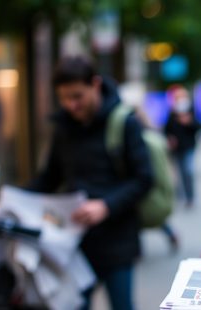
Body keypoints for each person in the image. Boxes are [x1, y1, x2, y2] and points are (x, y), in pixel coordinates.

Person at [28, 56, 153, 310]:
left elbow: (144, 179)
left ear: (95, 85)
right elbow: (49, 178)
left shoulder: (124, 122)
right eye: (64, 98)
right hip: (75, 243)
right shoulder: (63, 127)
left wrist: (106, 206)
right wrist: (6, 200)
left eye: (77, 96)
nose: (71, 105)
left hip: (117, 242)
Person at [164, 87, 201, 209]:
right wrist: (170, 138)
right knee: (178, 173)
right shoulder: (172, 111)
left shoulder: (191, 110)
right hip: (176, 148)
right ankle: (180, 195)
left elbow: (197, 126)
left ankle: (190, 197)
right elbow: (167, 128)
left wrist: (189, 122)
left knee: (187, 172)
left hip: (188, 146)